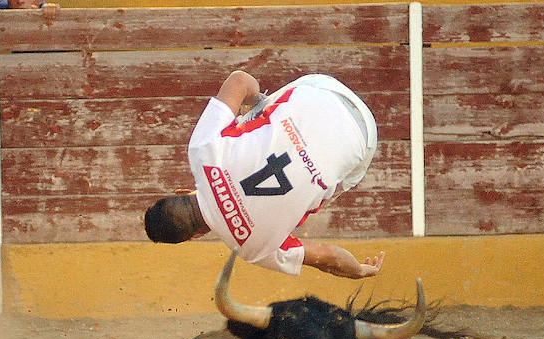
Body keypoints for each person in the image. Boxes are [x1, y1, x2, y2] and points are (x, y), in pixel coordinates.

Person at [144, 71, 385, 279]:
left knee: (331, 184)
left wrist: (360, 270)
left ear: (194, 237)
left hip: (364, 138)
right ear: (182, 192)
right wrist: (258, 101)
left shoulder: (253, 250)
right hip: (324, 91)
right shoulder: (201, 151)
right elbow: (239, 80)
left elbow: (329, 257)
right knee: (250, 120)